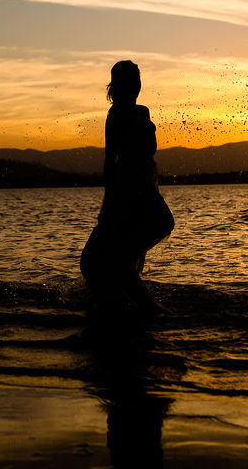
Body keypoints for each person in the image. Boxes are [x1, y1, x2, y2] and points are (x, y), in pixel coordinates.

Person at [81, 60, 174, 315]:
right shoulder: (116, 117)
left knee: (118, 259)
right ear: (116, 87)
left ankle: (144, 309)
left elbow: (145, 158)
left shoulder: (142, 112)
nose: (132, 88)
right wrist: (107, 203)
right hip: (127, 195)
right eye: (126, 83)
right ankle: (130, 306)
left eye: (134, 82)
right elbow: (110, 160)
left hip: (142, 194)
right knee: (93, 261)